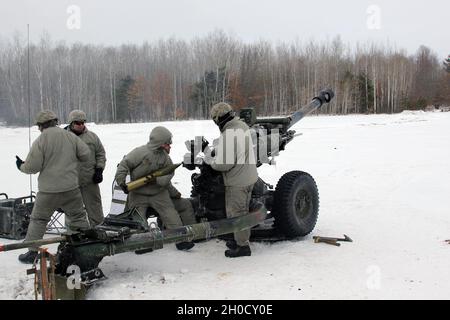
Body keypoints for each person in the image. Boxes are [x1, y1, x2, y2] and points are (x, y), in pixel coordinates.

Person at [16, 110, 90, 263]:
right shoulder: (70, 136)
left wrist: (21, 166)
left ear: (41, 125)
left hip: (48, 191)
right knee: (78, 217)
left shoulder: (41, 140)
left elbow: (32, 167)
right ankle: (83, 247)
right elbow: (85, 154)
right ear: (55, 121)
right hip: (71, 188)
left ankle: (32, 252)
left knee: (39, 219)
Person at [114, 126, 196, 251]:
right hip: (138, 193)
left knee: (171, 215)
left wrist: (169, 190)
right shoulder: (140, 153)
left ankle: (181, 240)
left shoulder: (165, 158)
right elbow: (124, 165)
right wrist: (122, 182)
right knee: (138, 220)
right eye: (167, 143)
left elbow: (169, 175)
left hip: (158, 193)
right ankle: (141, 244)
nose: (169, 146)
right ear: (160, 143)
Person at [208, 102, 258, 258]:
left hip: (237, 183)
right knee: (242, 211)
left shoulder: (229, 134)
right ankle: (239, 239)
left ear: (218, 119)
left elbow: (223, 164)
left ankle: (243, 247)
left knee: (238, 215)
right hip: (248, 177)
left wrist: (210, 160)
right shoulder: (242, 126)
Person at [66, 110, 106, 227]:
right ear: (71, 123)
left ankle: (99, 231)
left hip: (90, 180)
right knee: (72, 210)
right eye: (78, 123)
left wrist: (99, 170)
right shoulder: (63, 137)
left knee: (95, 208)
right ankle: (74, 234)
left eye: (83, 122)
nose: (81, 125)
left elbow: (100, 154)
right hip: (70, 182)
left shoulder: (92, 137)